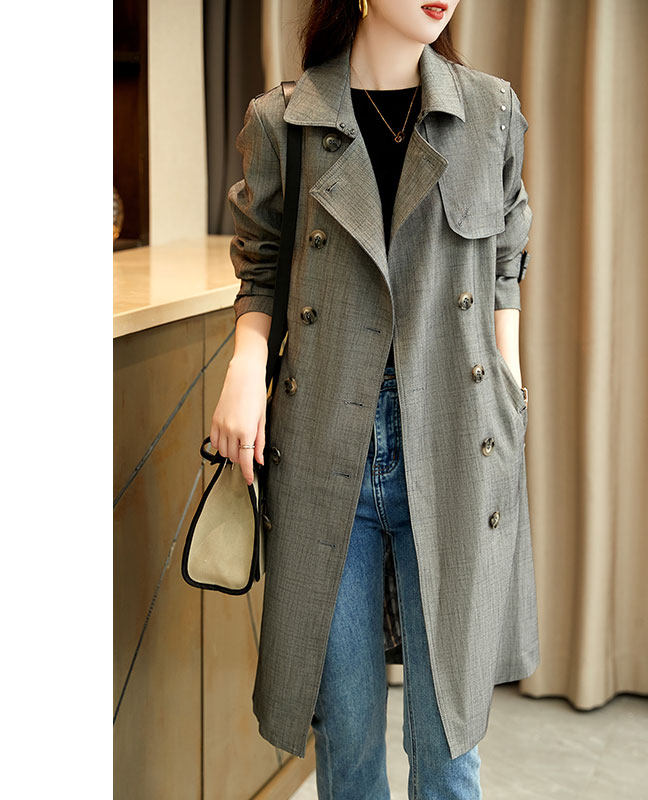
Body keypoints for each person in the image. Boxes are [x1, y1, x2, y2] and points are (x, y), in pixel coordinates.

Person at [210, 0, 539, 797]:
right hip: (323, 440)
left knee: (448, 739)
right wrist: (246, 363)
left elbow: (504, 261)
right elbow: (262, 265)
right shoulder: (285, 120)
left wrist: (508, 385)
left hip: (456, 436)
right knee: (346, 730)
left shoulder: (490, 111)